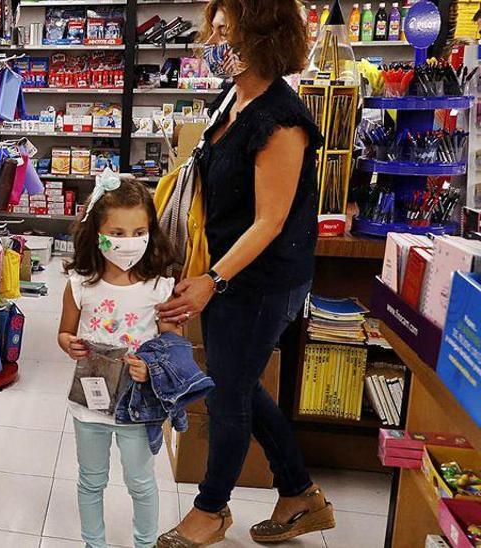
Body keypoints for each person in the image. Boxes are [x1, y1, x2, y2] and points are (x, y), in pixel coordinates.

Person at [155, 0, 334, 545]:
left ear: (262, 36)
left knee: (228, 391)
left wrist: (214, 280)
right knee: (237, 383)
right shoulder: (233, 96)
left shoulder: (279, 118)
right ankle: (300, 494)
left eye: (226, 31)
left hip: (261, 279)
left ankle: (211, 509)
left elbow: (270, 221)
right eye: (215, 27)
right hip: (228, 271)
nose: (214, 40)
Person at [58, 175, 177, 548]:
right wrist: (70, 344)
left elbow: (173, 345)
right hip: (90, 404)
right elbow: (64, 332)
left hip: (138, 405)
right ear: (97, 232)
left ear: (151, 231)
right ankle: (95, 543)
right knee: (90, 480)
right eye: (118, 232)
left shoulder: (160, 286)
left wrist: (151, 366)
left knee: (141, 482)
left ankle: (144, 543)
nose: (128, 242)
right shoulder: (80, 283)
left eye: (138, 231)